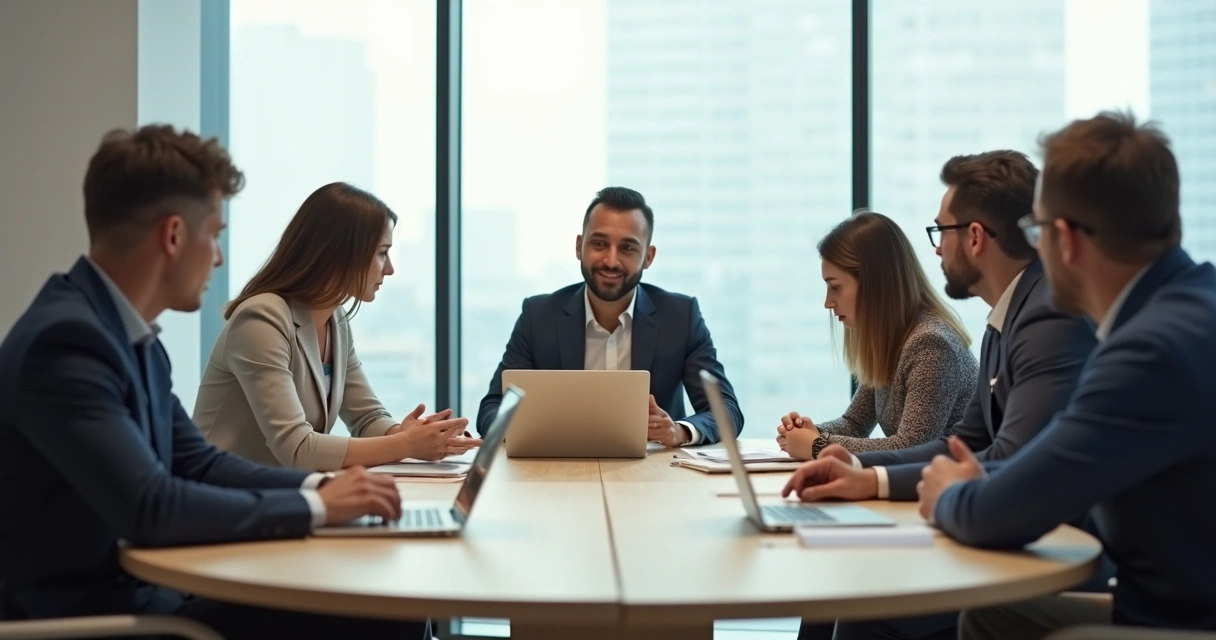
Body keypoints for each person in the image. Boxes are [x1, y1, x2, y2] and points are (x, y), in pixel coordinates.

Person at [0, 125, 429, 639]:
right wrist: (317, 505)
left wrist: (326, 487)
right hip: (91, 618)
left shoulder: (129, 337)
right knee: (385, 615)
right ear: (175, 235)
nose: (220, 258)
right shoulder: (69, 343)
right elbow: (151, 506)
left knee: (387, 605)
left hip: (147, 593)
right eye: (216, 236)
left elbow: (198, 463)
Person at [921, 112, 1216, 638]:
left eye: (1036, 233)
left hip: (1185, 622)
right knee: (996, 615)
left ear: (1065, 239)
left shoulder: (1148, 352)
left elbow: (1005, 512)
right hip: (1170, 603)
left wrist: (950, 494)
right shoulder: (1190, 307)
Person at [787, 152, 1099, 640]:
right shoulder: (1005, 321)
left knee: (861, 602)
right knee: (837, 590)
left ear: (973, 238)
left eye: (940, 232)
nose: (934, 250)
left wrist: (829, 451)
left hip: (1047, 553)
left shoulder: (1044, 319)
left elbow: (1008, 460)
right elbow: (965, 443)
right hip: (1008, 528)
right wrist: (864, 480)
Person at [193, 182, 473, 471]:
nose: (389, 269)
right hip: (223, 498)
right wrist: (406, 445)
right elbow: (298, 448)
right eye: (381, 253)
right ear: (341, 253)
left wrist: (409, 434)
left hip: (278, 494)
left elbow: (367, 417)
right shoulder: (261, 319)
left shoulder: (334, 319)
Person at [476, 186, 742, 446]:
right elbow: (492, 408)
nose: (611, 261)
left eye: (627, 248)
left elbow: (726, 410)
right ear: (579, 246)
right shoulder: (539, 316)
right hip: (556, 471)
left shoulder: (680, 317)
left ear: (648, 257)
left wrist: (678, 431)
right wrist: (523, 429)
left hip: (655, 476)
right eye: (600, 244)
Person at [775, 211, 977, 461]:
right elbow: (855, 423)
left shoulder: (931, 345)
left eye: (835, 287)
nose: (828, 302)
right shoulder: (889, 339)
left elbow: (912, 447)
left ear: (875, 284)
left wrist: (819, 446)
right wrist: (809, 432)